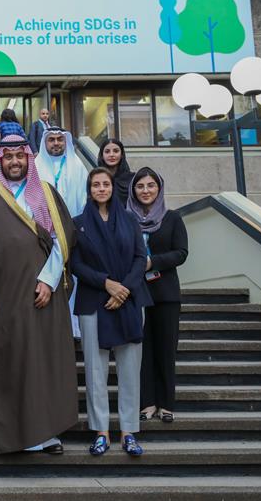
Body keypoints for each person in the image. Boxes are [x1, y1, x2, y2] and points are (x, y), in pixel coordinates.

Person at [0, 135, 78, 454]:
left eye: (20, 156)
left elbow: (62, 241)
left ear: (29, 159)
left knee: (41, 364)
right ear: (0, 161)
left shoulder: (45, 194)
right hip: (2, 296)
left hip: (41, 295)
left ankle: (46, 435)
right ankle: (8, 434)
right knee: (7, 363)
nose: (15, 162)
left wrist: (48, 281)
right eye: (9, 157)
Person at [70, 167, 153, 458]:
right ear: (89, 190)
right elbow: (76, 264)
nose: (102, 188)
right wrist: (106, 284)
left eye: (105, 184)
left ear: (111, 188)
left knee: (130, 371)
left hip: (128, 301)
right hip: (94, 302)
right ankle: (101, 431)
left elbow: (140, 258)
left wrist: (124, 289)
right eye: (96, 185)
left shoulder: (130, 220)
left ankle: (128, 431)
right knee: (95, 371)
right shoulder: (78, 223)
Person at [126, 167, 188, 424]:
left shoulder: (173, 218)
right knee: (142, 351)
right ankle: (147, 403)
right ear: (133, 190)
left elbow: (181, 253)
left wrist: (153, 262)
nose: (146, 191)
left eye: (151, 185)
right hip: (135, 293)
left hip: (165, 294)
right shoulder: (126, 219)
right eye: (140, 186)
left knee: (165, 349)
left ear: (159, 189)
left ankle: (166, 404)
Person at [35, 127, 89, 339]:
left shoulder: (78, 167)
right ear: (45, 144)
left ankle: (74, 328)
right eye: (51, 140)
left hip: (74, 234)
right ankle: (52, 329)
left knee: (73, 280)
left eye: (59, 139)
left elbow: (85, 201)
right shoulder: (36, 167)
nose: (56, 143)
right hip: (45, 237)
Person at [98, 138, 134, 203]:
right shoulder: (95, 179)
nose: (111, 155)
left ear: (122, 155)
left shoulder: (133, 179)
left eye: (116, 151)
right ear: (102, 156)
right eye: (107, 151)